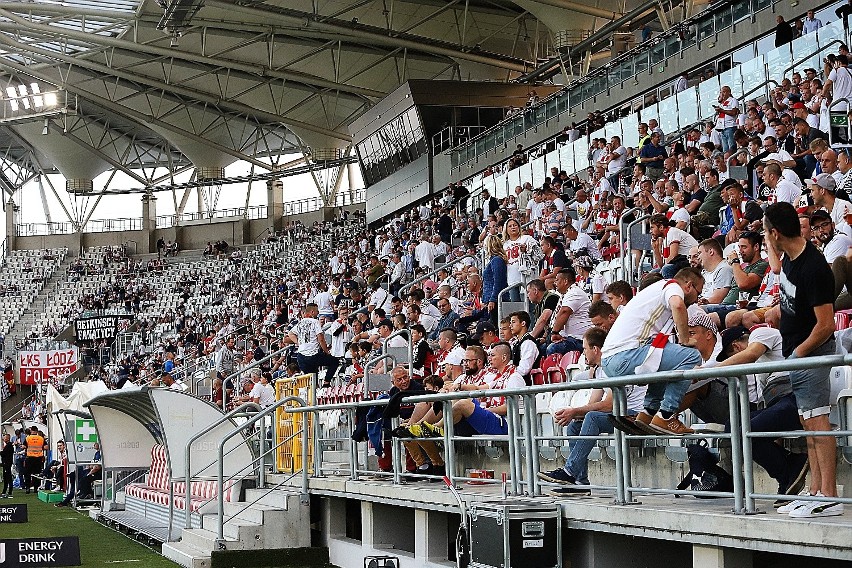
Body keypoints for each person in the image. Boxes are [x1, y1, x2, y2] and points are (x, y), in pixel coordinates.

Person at [763, 202, 841, 518]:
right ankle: (815, 491)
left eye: (768, 233)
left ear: (777, 232)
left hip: (811, 355)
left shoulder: (814, 267)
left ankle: (830, 495)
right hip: (797, 356)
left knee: (818, 424)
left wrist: (800, 352)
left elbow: (826, 325)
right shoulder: (791, 261)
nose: (766, 238)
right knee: (808, 425)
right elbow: (784, 284)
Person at [538, 327, 646, 491]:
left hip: (636, 415)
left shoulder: (613, 366)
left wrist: (576, 411)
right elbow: (594, 402)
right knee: (575, 425)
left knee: (592, 417)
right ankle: (579, 483)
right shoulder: (600, 369)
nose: (583, 354)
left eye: (585, 349)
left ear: (595, 349)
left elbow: (609, 405)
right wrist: (575, 414)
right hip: (620, 414)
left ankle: (569, 471)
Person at [601, 268, 705, 435]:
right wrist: (685, 339)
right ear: (689, 286)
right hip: (626, 355)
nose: (697, 299)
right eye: (698, 292)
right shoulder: (672, 286)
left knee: (665, 362)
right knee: (691, 356)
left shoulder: (653, 292)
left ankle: (647, 414)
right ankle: (666, 416)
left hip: (612, 359)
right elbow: (678, 305)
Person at [288, 303, 340, 387]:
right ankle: (326, 384)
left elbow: (290, 333)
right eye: (317, 311)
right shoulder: (315, 322)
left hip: (301, 357)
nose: (318, 313)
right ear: (312, 312)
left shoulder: (300, 323)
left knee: (312, 380)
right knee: (334, 361)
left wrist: (298, 343)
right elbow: (321, 339)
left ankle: (314, 395)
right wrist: (327, 352)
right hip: (312, 355)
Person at [23, 426, 45, 494]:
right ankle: (36, 488)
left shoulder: (28, 438)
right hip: (38, 458)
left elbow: (24, 446)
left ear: (31, 430)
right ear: (37, 430)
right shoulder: (41, 438)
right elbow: (46, 447)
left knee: (27, 473)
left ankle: (27, 488)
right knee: (37, 474)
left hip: (30, 458)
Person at [1, 433, 12, 498]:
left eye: (5, 438)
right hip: (6, 463)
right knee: (6, 477)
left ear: (7, 439)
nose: (4, 439)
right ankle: (4, 491)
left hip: (7, 463)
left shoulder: (9, 446)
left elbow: (4, 454)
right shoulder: (8, 445)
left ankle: (9, 491)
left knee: (8, 477)